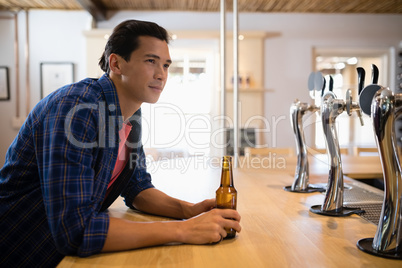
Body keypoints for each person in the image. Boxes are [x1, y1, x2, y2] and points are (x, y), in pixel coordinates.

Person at [0, 19, 241, 267]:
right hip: (21, 248)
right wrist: (183, 231)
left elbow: (137, 188)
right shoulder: (77, 108)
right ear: (116, 63)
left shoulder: (131, 114)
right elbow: (75, 230)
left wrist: (189, 211)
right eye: (151, 61)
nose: (161, 74)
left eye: (166, 65)